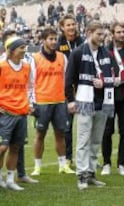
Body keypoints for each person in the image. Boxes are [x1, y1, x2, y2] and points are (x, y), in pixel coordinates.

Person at [65, 21, 115, 190]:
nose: (102, 38)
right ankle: (81, 175)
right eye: (99, 34)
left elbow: (114, 76)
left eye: (103, 34)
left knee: (95, 141)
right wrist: (70, 100)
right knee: (83, 140)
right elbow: (69, 79)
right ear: (89, 33)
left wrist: (105, 82)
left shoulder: (106, 54)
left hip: (103, 103)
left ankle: (91, 173)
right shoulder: (78, 53)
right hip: (85, 102)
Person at [30, 28, 75, 176]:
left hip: (60, 101)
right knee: (40, 135)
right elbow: (30, 83)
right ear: (43, 40)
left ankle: (63, 165)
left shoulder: (62, 57)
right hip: (42, 102)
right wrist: (32, 103)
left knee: (60, 134)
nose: (54, 41)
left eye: (55, 39)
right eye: (50, 39)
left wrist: (69, 99)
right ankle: (37, 166)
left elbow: (67, 80)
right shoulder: (35, 58)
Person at [0, 30, 38, 184]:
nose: (25, 50)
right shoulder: (2, 66)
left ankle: (10, 180)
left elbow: (30, 87)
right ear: (12, 50)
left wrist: (30, 104)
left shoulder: (27, 67)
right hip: (5, 113)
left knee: (16, 147)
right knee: (2, 148)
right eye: (21, 47)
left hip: (21, 112)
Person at [100, 21, 124, 176]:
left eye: (123, 31)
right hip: (108, 96)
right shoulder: (103, 51)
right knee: (107, 131)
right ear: (112, 34)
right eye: (118, 32)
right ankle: (106, 163)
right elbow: (99, 71)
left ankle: (121, 164)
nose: (122, 34)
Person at [56, 14, 84, 168]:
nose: (72, 27)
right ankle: (68, 157)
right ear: (62, 27)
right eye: (68, 25)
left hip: (83, 89)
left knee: (85, 125)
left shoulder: (82, 42)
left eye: (73, 24)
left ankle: (84, 156)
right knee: (67, 127)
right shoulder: (58, 43)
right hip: (65, 90)